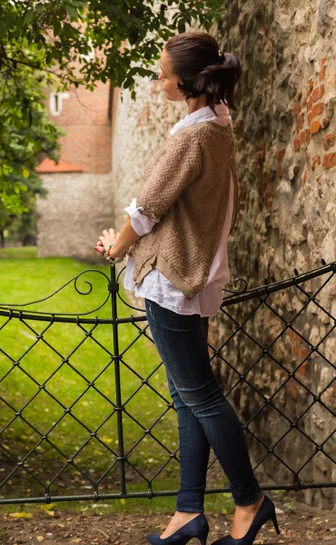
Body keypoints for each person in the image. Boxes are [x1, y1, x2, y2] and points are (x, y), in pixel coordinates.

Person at [94, 32, 281, 545]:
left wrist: (115, 247)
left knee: (200, 396)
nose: (158, 81)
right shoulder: (218, 129)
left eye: (163, 74)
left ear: (188, 79)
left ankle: (249, 500)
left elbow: (147, 207)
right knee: (188, 398)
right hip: (193, 278)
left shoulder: (193, 136)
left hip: (173, 281)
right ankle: (187, 513)